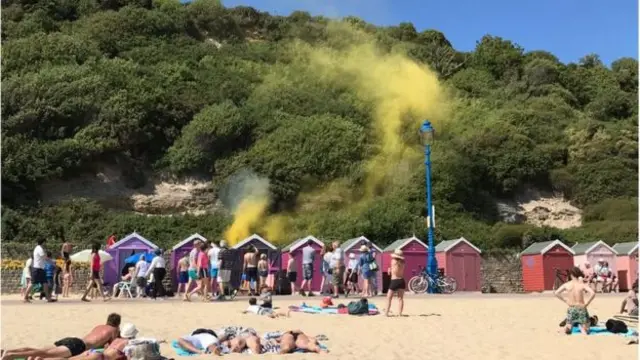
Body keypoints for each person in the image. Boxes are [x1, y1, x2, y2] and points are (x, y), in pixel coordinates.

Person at [2, 313, 121, 360]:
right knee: (45, 354)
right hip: (77, 346)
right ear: (118, 323)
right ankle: (11, 355)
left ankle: (9, 351)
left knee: (40, 350)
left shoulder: (99, 326)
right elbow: (113, 346)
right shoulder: (114, 330)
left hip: (72, 340)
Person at [42, 323, 140, 360]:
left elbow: (106, 348)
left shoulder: (117, 340)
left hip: (93, 352)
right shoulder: (128, 344)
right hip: (100, 357)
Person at [554, 266, 596, 335]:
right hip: (581, 308)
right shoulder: (582, 284)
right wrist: (587, 303)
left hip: (571, 308)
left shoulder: (567, 284)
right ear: (578, 275)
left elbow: (556, 293)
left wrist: (566, 300)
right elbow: (593, 293)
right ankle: (582, 327)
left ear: (571, 275)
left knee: (569, 324)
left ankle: (568, 328)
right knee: (587, 330)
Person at [24, 238, 53, 303]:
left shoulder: (39, 248)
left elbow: (44, 257)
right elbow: (45, 257)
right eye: (45, 242)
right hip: (37, 268)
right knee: (32, 283)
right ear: (43, 242)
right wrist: (51, 261)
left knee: (45, 283)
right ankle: (25, 297)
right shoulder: (39, 248)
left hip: (41, 269)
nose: (46, 244)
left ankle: (48, 298)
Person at [385, 249, 406, 317]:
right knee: (400, 299)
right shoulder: (403, 262)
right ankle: (400, 314)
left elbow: (391, 272)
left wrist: (389, 270)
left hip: (394, 280)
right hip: (401, 280)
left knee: (389, 298)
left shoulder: (393, 261)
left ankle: (386, 313)